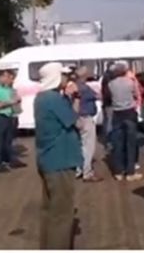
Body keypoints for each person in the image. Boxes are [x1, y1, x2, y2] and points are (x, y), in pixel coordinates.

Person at [34, 62, 83, 249]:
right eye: (64, 75)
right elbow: (76, 121)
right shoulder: (54, 99)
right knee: (62, 214)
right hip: (60, 159)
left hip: (47, 159)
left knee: (49, 210)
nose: (67, 79)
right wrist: (75, 97)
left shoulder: (42, 97)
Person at [107, 61, 141, 181]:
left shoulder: (111, 84)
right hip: (129, 112)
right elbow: (137, 94)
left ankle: (118, 171)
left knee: (118, 143)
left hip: (117, 113)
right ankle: (130, 172)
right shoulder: (130, 82)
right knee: (131, 143)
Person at [0, 69, 23, 172]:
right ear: (2, 77)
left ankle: (10, 160)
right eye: (8, 77)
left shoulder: (8, 88)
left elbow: (15, 99)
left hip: (9, 116)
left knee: (8, 140)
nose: (10, 80)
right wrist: (11, 102)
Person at [74, 66, 102, 182]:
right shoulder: (85, 88)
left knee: (80, 145)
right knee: (88, 146)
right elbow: (98, 96)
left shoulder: (74, 86)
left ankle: (79, 169)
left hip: (77, 118)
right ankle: (87, 172)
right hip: (86, 118)